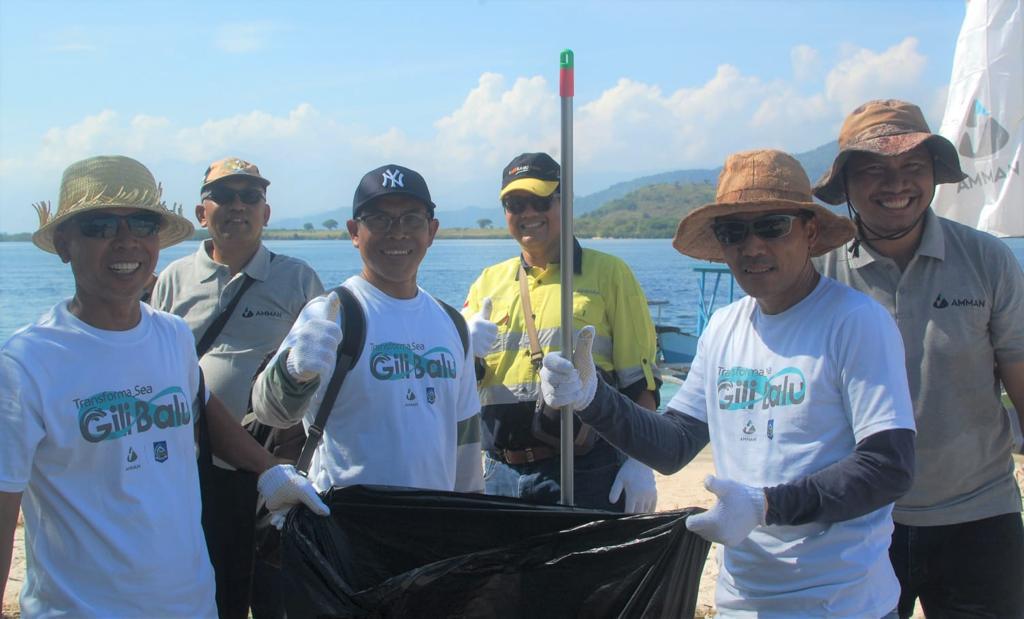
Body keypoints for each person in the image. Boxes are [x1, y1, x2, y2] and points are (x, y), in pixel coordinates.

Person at [540, 149, 917, 617]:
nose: (752, 246)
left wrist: (766, 506)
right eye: (733, 232)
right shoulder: (724, 326)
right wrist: (593, 398)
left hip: (842, 602)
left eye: (773, 226)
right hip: (742, 600)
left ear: (810, 230)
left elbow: (889, 465)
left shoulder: (856, 322)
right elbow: (675, 444)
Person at [0, 155, 327, 617]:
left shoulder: (171, 335)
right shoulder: (26, 364)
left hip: (191, 603)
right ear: (63, 243)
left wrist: (271, 470)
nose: (126, 241)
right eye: (99, 226)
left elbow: (203, 404)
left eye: (142, 224)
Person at [812, 99, 1024, 618]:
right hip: (856, 521)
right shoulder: (816, 271)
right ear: (845, 186)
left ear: (934, 174)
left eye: (912, 167)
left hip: (979, 515)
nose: (896, 183)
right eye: (874, 170)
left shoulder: (987, 259)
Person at [150, 157, 324, 619]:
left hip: (276, 463)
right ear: (201, 212)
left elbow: (324, 372)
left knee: (276, 593)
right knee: (211, 591)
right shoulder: (173, 279)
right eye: (224, 196)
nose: (238, 206)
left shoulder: (298, 278)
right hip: (199, 469)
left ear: (266, 212)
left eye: (251, 196)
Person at [251, 164, 483, 496]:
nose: (397, 232)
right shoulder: (332, 314)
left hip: (435, 526)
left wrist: (470, 518)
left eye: (411, 219)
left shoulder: (452, 324)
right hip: (347, 526)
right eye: (378, 219)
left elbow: (466, 438)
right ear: (354, 232)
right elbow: (270, 412)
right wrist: (294, 372)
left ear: (431, 231)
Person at [462, 152, 659, 513]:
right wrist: (463, 349)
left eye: (540, 201)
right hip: (498, 473)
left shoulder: (610, 274)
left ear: (564, 203)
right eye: (515, 203)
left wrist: (640, 460)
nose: (528, 213)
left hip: (583, 469)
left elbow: (639, 381)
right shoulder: (487, 282)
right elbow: (462, 383)